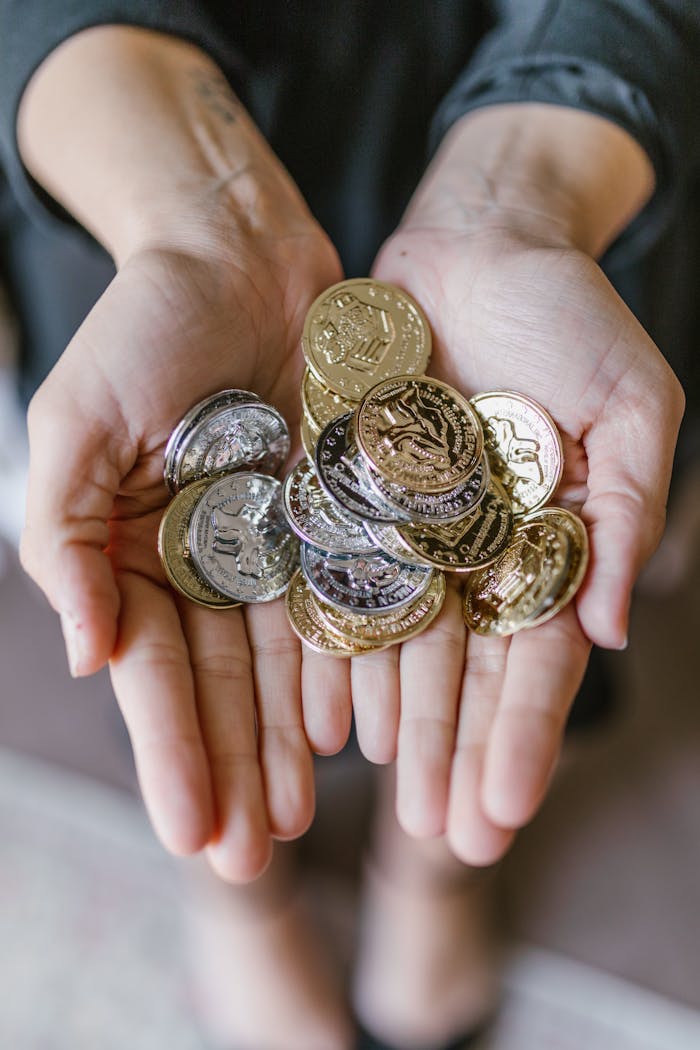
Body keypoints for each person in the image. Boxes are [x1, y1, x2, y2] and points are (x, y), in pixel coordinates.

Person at [1, 4, 697, 1048]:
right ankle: (241, 890)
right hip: (137, 163)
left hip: (545, 136)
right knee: (152, 596)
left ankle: (432, 870)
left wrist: (531, 182)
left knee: (510, 633)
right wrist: (193, 205)